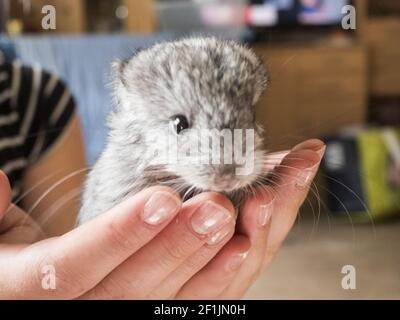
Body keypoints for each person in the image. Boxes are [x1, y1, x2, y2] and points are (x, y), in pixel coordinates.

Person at [0, 55, 325, 299]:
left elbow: (57, 237)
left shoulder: (39, 98)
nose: (228, 163)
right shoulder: (121, 171)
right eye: (181, 125)